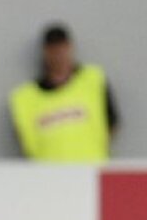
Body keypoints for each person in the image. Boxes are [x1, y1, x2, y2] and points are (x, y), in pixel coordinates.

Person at [9, 23, 119, 162]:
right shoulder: (24, 98)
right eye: (53, 50)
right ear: (45, 52)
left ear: (70, 47)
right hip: (48, 176)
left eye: (62, 48)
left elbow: (112, 122)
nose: (58, 55)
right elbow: (23, 137)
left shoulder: (93, 80)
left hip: (90, 171)